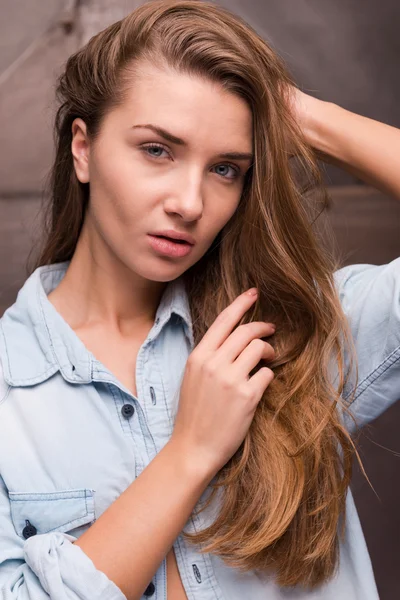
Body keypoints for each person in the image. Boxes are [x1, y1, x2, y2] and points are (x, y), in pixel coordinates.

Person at [0, 1, 399, 598]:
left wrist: (307, 118)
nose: (189, 202)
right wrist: (190, 453)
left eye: (225, 168)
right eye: (157, 150)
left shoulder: (294, 332)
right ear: (82, 149)